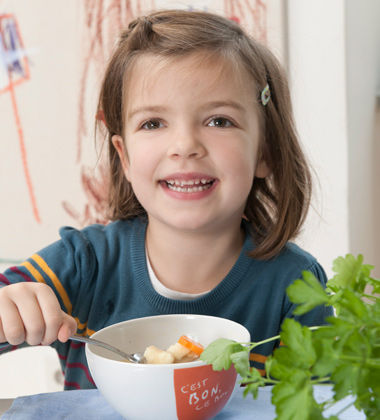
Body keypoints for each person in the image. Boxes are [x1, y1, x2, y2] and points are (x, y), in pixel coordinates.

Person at [0, 9, 333, 389]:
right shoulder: (86, 262)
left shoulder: (294, 284)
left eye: (219, 121)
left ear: (264, 152)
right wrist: (12, 307)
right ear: (124, 157)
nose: (185, 146)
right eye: (153, 123)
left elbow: (322, 402)